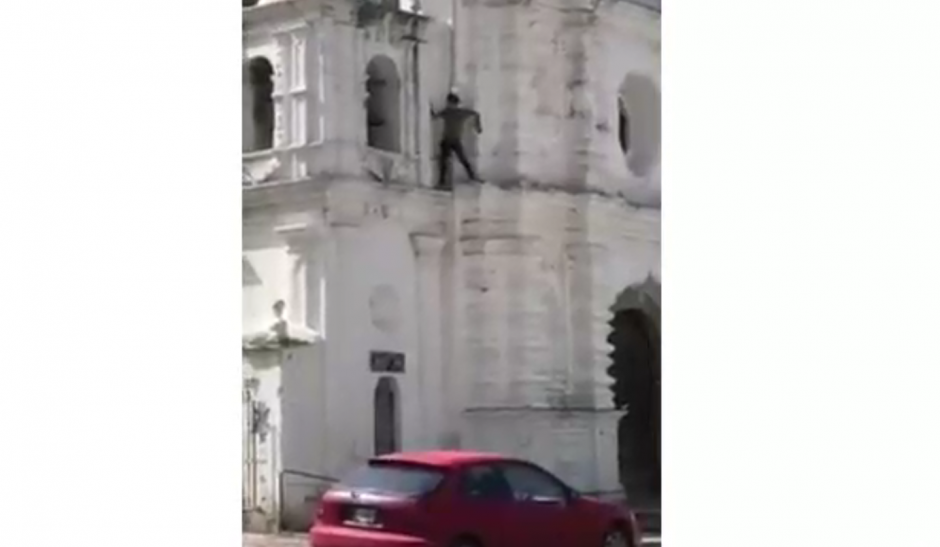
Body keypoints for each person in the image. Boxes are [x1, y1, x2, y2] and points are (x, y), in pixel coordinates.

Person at [432, 93, 482, 189]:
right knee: (445, 162)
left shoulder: (455, 112)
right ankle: (442, 182)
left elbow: (476, 114)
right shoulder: (449, 112)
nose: (450, 105)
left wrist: (478, 127)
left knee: (457, 160)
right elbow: (435, 116)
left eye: (450, 103)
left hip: (453, 140)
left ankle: (472, 177)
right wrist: (478, 127)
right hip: (449, 140)